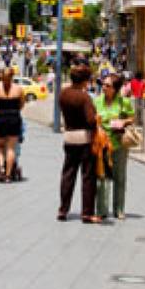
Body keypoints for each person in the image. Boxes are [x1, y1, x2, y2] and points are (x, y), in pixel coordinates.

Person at [58, 64, 100, 223]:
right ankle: (87, 213)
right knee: (88, 176)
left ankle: (63, 209)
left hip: (69, 137)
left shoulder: (63, 94)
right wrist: (97, 119)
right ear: (84, 80)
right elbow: (90, 120)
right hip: (84, 139)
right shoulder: (84, 97)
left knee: (68, 174)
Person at [94, 74, 134, 220]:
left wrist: (124, 122)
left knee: (119, 177)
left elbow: (132, 117)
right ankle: (102, 210)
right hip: (102, 144)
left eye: (107, 85)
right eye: (103, 84)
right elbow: (93, 119)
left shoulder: (124, 102)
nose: (103, 87)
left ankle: (119, 209)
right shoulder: (97, 101)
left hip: (119, 144)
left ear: (116, 89)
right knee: (102, 177)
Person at [0, 67, 25, 182]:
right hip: (14, 118)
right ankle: (8, 175)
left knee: (0, 147)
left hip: (0, 118)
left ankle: (1, 170)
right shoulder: (19, 89)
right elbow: (21, 105)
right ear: (12, 76)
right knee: (11, 148)